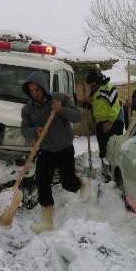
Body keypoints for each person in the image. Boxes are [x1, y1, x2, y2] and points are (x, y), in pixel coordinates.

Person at [21, 72, 89, 235]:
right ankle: (47, 222)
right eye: (31, 91)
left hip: (64, 147)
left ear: (43, 87)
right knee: (43, 184)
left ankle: (81, 182)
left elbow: (77, 116)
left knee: (68, 183)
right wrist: (33, 131)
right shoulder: (28, 109)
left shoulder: (60, 99)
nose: (34, 93)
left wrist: (61, 110)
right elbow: (24, 130)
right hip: (45, 150)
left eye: (37, 89)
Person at [85, 71, 123, 165]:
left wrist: (110, 122)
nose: (90, 86)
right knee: (103, 149)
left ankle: (114, 170)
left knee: (112, 149)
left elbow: (115, 106)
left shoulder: (108, 88)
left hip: (113, 122)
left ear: (96, 81)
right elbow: (100, 104)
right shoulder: (98, 90)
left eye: (91, 84)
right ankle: (105, 170)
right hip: (102, 122)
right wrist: (89, 105)